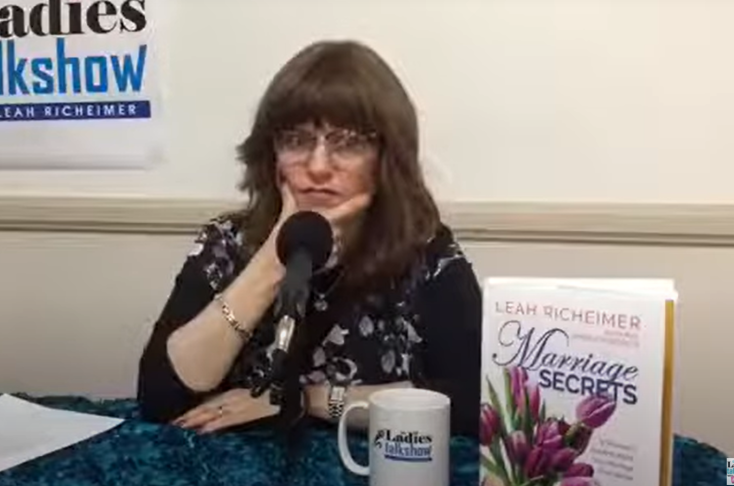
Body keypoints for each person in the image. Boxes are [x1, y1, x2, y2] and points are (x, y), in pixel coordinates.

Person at [136, 39, 482, 438]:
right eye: (297, 140)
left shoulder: (426, 251)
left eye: (348, 143)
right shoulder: (228, 241)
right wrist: (273, 257)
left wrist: (304, 400)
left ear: (386, 157)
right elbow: (161, 399)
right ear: (272, 155)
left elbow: (471, 403)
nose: (318, 166)